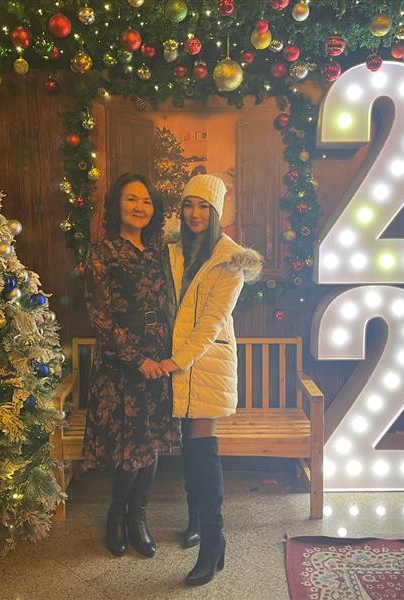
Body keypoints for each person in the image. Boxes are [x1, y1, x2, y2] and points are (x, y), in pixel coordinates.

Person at [160, 174, 263, 586]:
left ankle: (213, 541)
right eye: (189, 205)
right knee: (188, 449)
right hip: (174, 360)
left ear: (216, 212)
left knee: (202, 450)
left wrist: (176, 361)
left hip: (207, 362)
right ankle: (195, 522)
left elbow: (212, 321)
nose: (195, 213)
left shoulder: (231, 260)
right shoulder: (171, 250)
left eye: (204, 206)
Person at [82, 173, 178, 558]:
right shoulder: (102, 252)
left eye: (146, 201)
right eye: (131, 199)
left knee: (150, 442)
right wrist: (138, 360)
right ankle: (116, 516)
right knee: (129, 447)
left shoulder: (159, 252)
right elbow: (100, 316)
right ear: (116, 205)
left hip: (160, 358)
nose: (140, 207)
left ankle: (139, 517)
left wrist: (167, 357)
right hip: (122, 363)